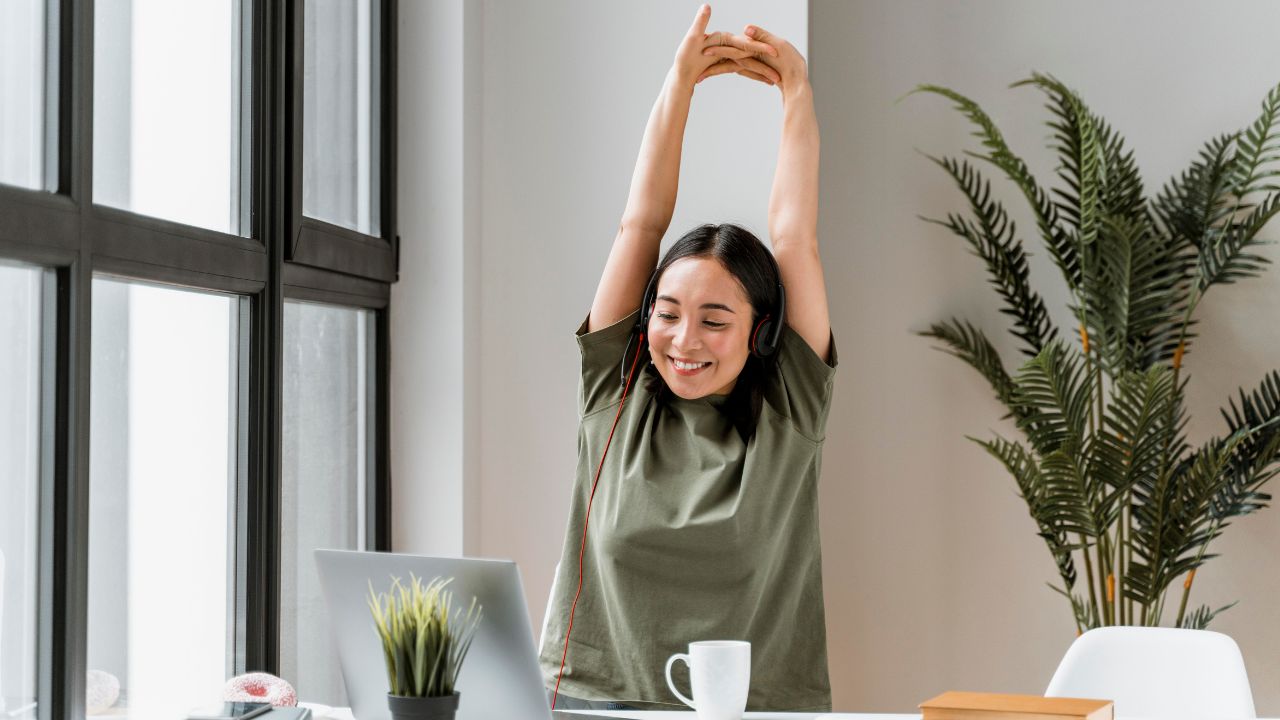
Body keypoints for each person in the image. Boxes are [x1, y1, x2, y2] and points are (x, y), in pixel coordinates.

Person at [540, 4, 834, 712]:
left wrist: (797, 92)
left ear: (762, 331)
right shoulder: (616, 389)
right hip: (590, 702)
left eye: (714, 320)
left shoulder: (790, 407)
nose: (682, 338)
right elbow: (640, 220)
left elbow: (794, 240)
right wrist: (679, 84)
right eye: (667, 315)